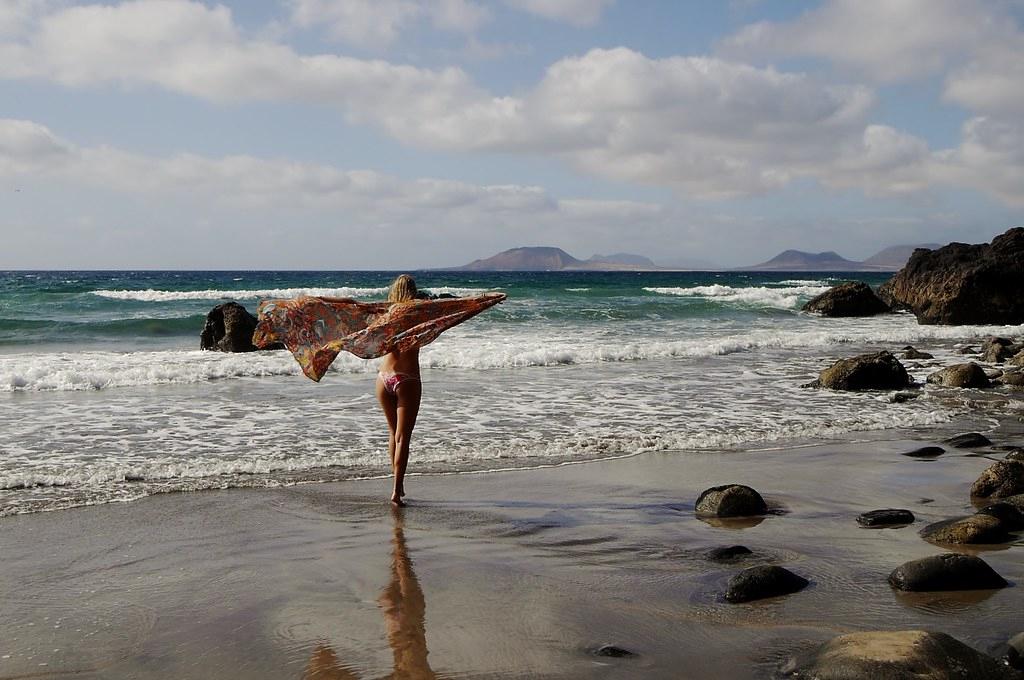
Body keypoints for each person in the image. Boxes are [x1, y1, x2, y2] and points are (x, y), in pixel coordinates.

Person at [376, 275, 422, 507]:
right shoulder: (420, 313)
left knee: (392, 432)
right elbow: (454, 315)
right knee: (403, 437)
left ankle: (398, 483)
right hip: (407, 378)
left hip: (383, 378)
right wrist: (487, 300)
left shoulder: (385, 313)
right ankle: (395, 490)